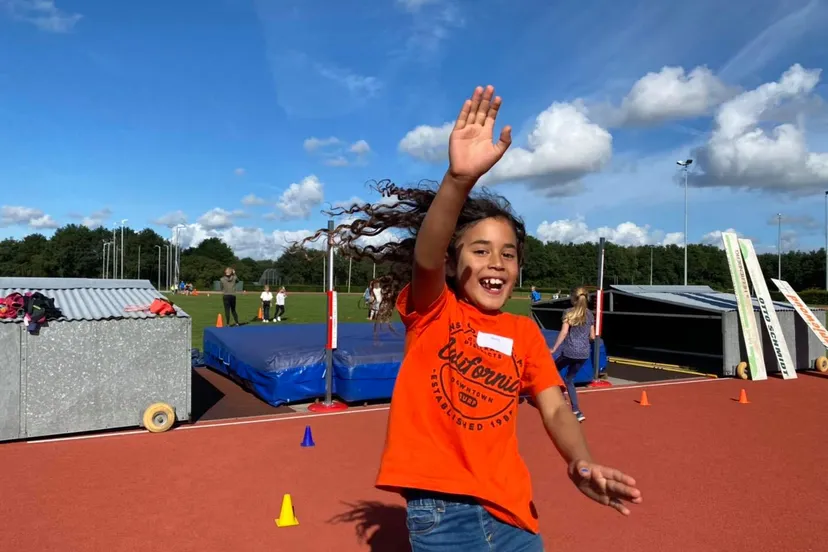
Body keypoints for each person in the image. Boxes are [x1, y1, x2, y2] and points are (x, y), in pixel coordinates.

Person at [308, 85, 641, 550]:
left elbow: (554, 406)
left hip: (514, 511)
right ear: (453, 261)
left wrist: (580, 461)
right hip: (443, 514)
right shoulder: (433, 310)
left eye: (508, 254)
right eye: (480, 251)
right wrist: (458, 180)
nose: (496, 263)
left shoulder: (523, 333)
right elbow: (426, 255)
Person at [549, 286, 595, 422]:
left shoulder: (568, 312)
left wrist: (554, 348)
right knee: (569, 379)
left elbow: (564, 332)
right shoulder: (590, 314)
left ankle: (559, 395)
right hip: (584, 353)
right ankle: (576, 410)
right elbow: (592, 336)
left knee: (552, 369)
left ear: (573, 298)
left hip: (570, 351)